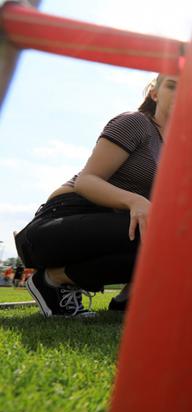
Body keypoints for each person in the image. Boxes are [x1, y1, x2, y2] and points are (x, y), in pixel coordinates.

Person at [14, 74, 178, 317]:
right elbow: (87, 181)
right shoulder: (137, 123)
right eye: (173, 86)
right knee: (163, 235)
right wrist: (135, 200)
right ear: (155, 94)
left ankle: (126, 300)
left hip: (108, 231)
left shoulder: (174, 152)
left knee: (181, 241)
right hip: (56, 226)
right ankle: (50, 280)